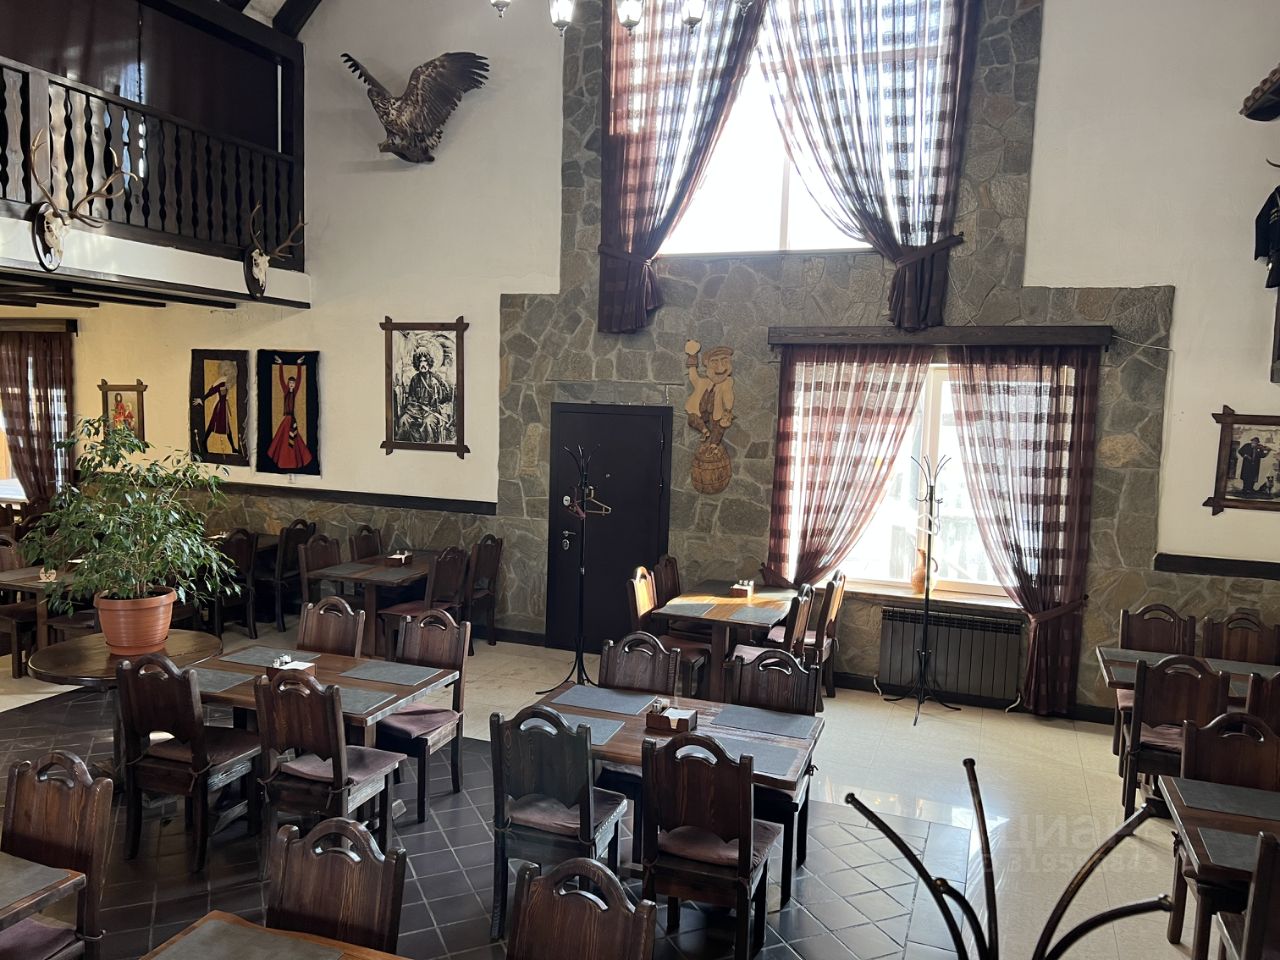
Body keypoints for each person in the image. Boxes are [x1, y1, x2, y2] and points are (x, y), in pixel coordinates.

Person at [397, 346, 454, 444]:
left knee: (428, 423)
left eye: (425, 361)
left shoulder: (436, 377)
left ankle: (428, 446)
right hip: (416, 411)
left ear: (429, 362)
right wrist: (413, 410)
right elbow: (411, 399)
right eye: (420, 361)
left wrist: (437, 389)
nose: (423, 364)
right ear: (417, 363)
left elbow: (446, 396)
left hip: (431, 412)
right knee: (404, 420)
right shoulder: (414, 379)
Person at [266, 357, 313, 470]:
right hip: (286, 419)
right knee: (283, 438)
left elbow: (300, 379)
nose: (292, 384)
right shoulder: (285, 391)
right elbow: (281, 379)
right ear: (288, 384)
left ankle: (293, 460)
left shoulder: (294, 392)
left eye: (293, 383)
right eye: (290, 383)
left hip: (291, 419)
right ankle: (283, 459)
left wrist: (298, 365)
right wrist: (281, 364)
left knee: (293, 439)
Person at [192, 380, 238, 456]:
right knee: (212, 425)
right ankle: (204, 441)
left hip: (224, 408)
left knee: (227, 427)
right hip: (220, 408)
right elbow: (212, 391)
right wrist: (202, 399)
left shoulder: (227, 385)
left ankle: (233, 448)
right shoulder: (222, 384)